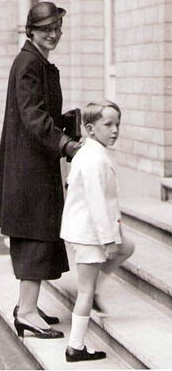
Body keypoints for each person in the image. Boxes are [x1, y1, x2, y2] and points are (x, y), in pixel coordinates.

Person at [0, 2, 81, 340]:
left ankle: (28, 306)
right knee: (35, 236)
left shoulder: (36, 62)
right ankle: (26, 312)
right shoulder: (28, 63)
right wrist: (67, 144)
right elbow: (33, 117)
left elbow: (39, 114)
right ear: (32, 30)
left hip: (34, 164)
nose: (54, 34)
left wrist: (66, 124)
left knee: (39, 234)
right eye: (46, 29)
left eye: (57, 27)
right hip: (29, 170)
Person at [60, 100, 135, 362]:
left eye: (118, 124)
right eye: (108, 125)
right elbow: (95, 202)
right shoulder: (91, 158)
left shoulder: (94, 153)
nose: (115, 130)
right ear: (90, 129)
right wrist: (107, 239)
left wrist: (115, 234)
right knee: (85, 290)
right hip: (88, 233)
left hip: (88, 229)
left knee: (127, 247)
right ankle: (75, 346)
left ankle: (93, 294)